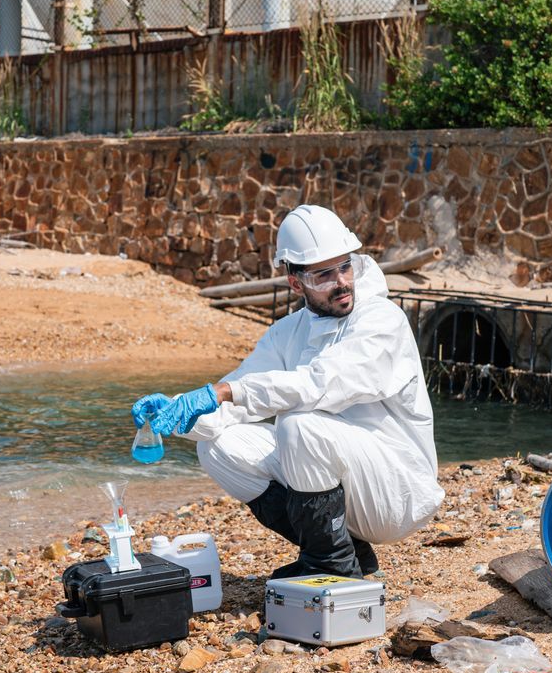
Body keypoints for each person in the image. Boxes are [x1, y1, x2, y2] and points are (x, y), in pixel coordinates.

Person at [130, 205, 443, 579]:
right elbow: (235, 401)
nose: (341, 281)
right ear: (296, 283)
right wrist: (180, 410)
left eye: (345, 266)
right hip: (344, 482)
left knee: (298, 424)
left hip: (396, 491)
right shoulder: (287, 333)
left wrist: (223, 391)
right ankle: (339, 551)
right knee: (218, 446)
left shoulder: (381, 320)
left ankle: (330, 569)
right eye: (324, 274)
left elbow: (320, 382)